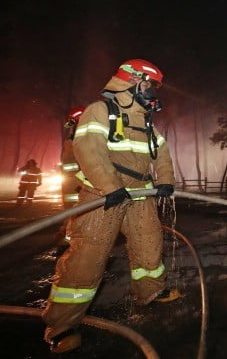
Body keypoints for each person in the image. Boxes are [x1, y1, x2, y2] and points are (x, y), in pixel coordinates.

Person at [42, 59, 177, 353]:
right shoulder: (100, 110)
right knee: (88, 256)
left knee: (149, 244)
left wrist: (165, 180)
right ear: (132, 81)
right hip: (104, 195)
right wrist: (111, 187)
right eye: (149, 84)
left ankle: (151, 293)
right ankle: (63, 326)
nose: (152, 91)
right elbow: (88, 149)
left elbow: (162, 153)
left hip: (140, 193)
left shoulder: (146, 120)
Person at [54, 106, 85, 249]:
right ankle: (68, 238)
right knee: (74, 211)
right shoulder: (76, 138)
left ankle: (69, 239)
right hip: (73, 183)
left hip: (74, 182)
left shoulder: (76, 137)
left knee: (75, 211)